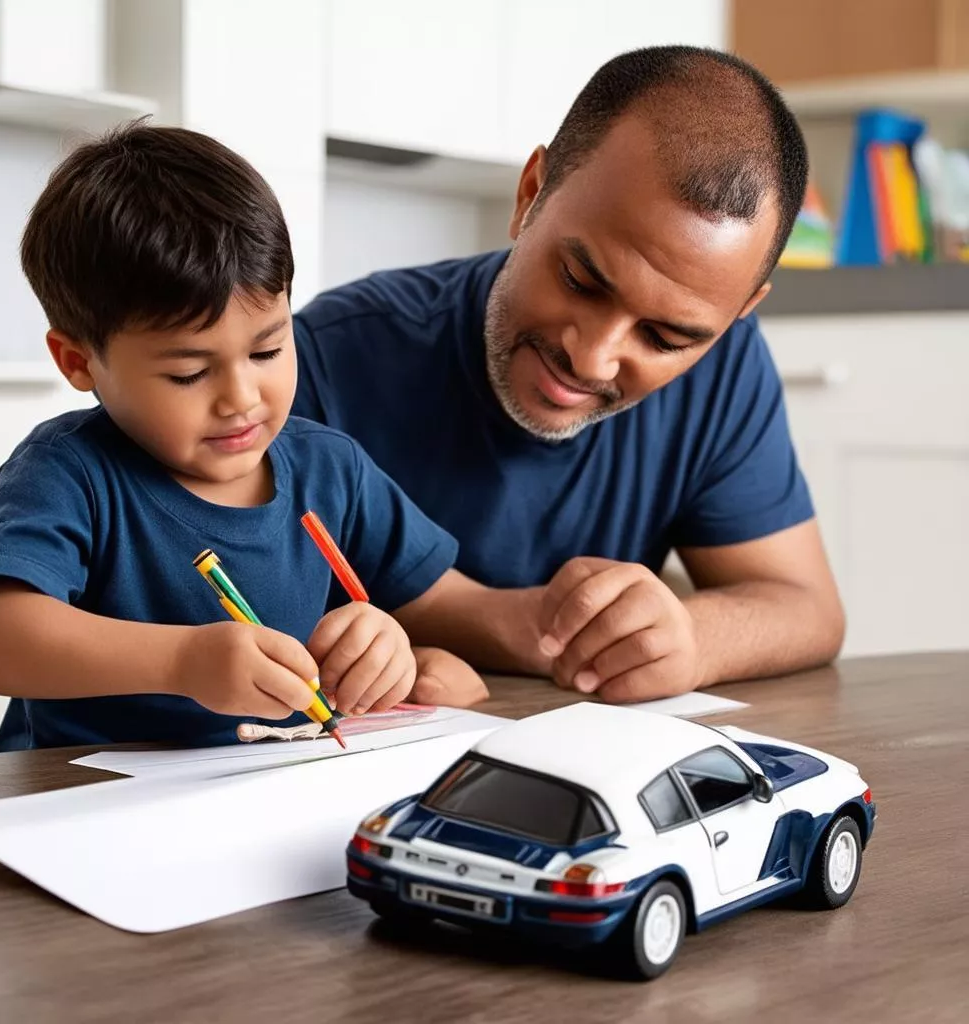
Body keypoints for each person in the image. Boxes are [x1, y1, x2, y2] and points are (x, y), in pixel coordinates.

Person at [291, 46, 846, 704]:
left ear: (738, 313)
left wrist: (691, 638)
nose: (594, 358)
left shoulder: (726, 365)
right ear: (530, 196)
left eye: (667, 337)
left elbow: (808, 607)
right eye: (581, 281)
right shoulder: (322, 360)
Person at [0, 122, 487, 752]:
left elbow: (425, 620)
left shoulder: (330, 468)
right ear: (78, 362)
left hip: (265, 793)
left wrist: (394, 651)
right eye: (190, 373)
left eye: (268, 349)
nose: (241, 399)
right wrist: (181, 661)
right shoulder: (68, 472)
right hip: (85, 808)